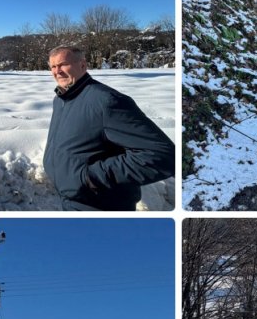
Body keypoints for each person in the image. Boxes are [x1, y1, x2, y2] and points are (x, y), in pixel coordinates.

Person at [42, 46, 174, 211]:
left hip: (103, 208)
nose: (57, 71)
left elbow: (163, 155)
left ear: (82, 65)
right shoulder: (61, 100)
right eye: (53, 67)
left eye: (63, 64)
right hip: (71, 203)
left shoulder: (106, 102)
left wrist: (90, 178)